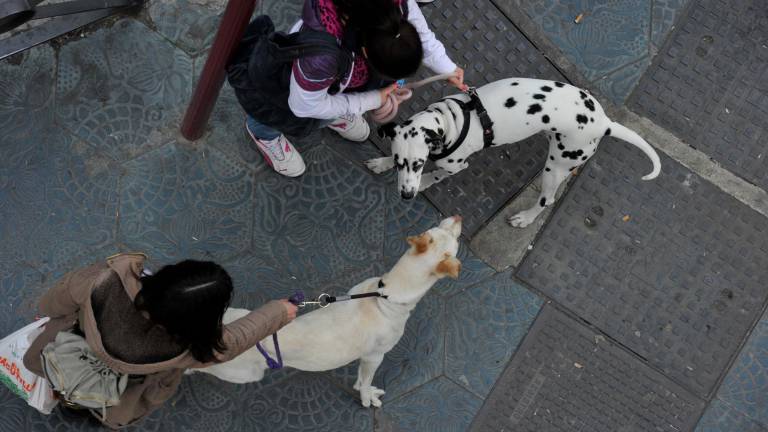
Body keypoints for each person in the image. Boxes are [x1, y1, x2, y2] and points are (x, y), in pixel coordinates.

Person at [23, 253, 297, 429]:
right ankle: (94, 414)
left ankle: (66, 396)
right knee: (111, 410)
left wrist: (51, 315)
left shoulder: (104, 280)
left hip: (64, 353)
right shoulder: (188, 348)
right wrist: (279, 312)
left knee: (60, 374)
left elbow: (56, 299)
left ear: (168, 276)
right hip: (123, 394)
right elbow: (232, 342)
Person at [240, 0, 466, 177]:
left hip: (335, 82)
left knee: (331, 106)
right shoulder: (320, 60)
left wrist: (448, 68)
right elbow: (302, 105)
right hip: (290, 87)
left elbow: (422, 36)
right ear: (366, 53)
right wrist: (372, 99)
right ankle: (262, 134)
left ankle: (334, 113)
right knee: (273, 110)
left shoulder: (394, 10)